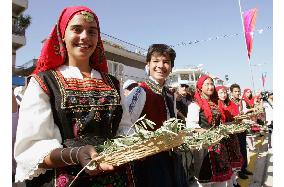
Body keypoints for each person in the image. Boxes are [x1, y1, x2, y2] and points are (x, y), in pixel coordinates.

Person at [14, 6, 136, 187]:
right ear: (62, 34)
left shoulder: (113, 83)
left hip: (115, 177)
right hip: (66, 179)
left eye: (92, 31)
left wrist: (137, 144)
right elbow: (30, 148)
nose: (85, 36)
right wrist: (74, 154)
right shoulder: (43, 82)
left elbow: (125, 128)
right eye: (77, 29)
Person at [124, 44, 188, 187]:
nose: (161, 66)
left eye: (166, 62)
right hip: (149, 161)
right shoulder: (140, 92)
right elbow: (126, 126)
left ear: (171, 67)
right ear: (148, 64)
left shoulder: (170, 94)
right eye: (156, 61)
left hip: (170, 157)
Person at [186, 75, 232, 187]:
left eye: (212, 84)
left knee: (221, 182)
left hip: (219, 145)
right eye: (207, 84)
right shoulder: (195, 105)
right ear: (200, 87)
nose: (210, 87)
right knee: (206, 182)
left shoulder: (215, 103)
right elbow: (191, 125)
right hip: (205, 147)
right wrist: (207, 133)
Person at [216, 86, 243, 187]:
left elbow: (236, 116)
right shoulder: (215, 104)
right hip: (222, 137)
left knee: (233, 161)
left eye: (224, 92)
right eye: (221, 93)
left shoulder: (229, 103)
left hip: (232, 136)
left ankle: (234, 182)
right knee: (226, 163)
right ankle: (230, 183)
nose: (223, 95)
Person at [229, 84, 253, 180]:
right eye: (235, 91)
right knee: (237, 151)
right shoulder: (229, 101)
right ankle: (238, 172)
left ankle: (244, 168)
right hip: (234, 129)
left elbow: (244, 111)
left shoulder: (241, 101)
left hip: (242, 128)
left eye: (238, 91)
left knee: (243, 149)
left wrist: (245, 114)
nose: (237, 93)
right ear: (231, 92)